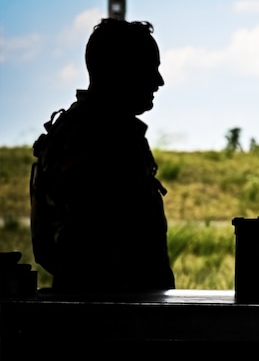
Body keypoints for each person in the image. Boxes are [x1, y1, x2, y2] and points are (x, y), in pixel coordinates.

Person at [30, 18, 176, 294]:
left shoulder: (89, 132)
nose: (159, 81)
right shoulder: (98, 140)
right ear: (120, 71)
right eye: (149, 69)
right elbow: (96, 249)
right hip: (109, 321)